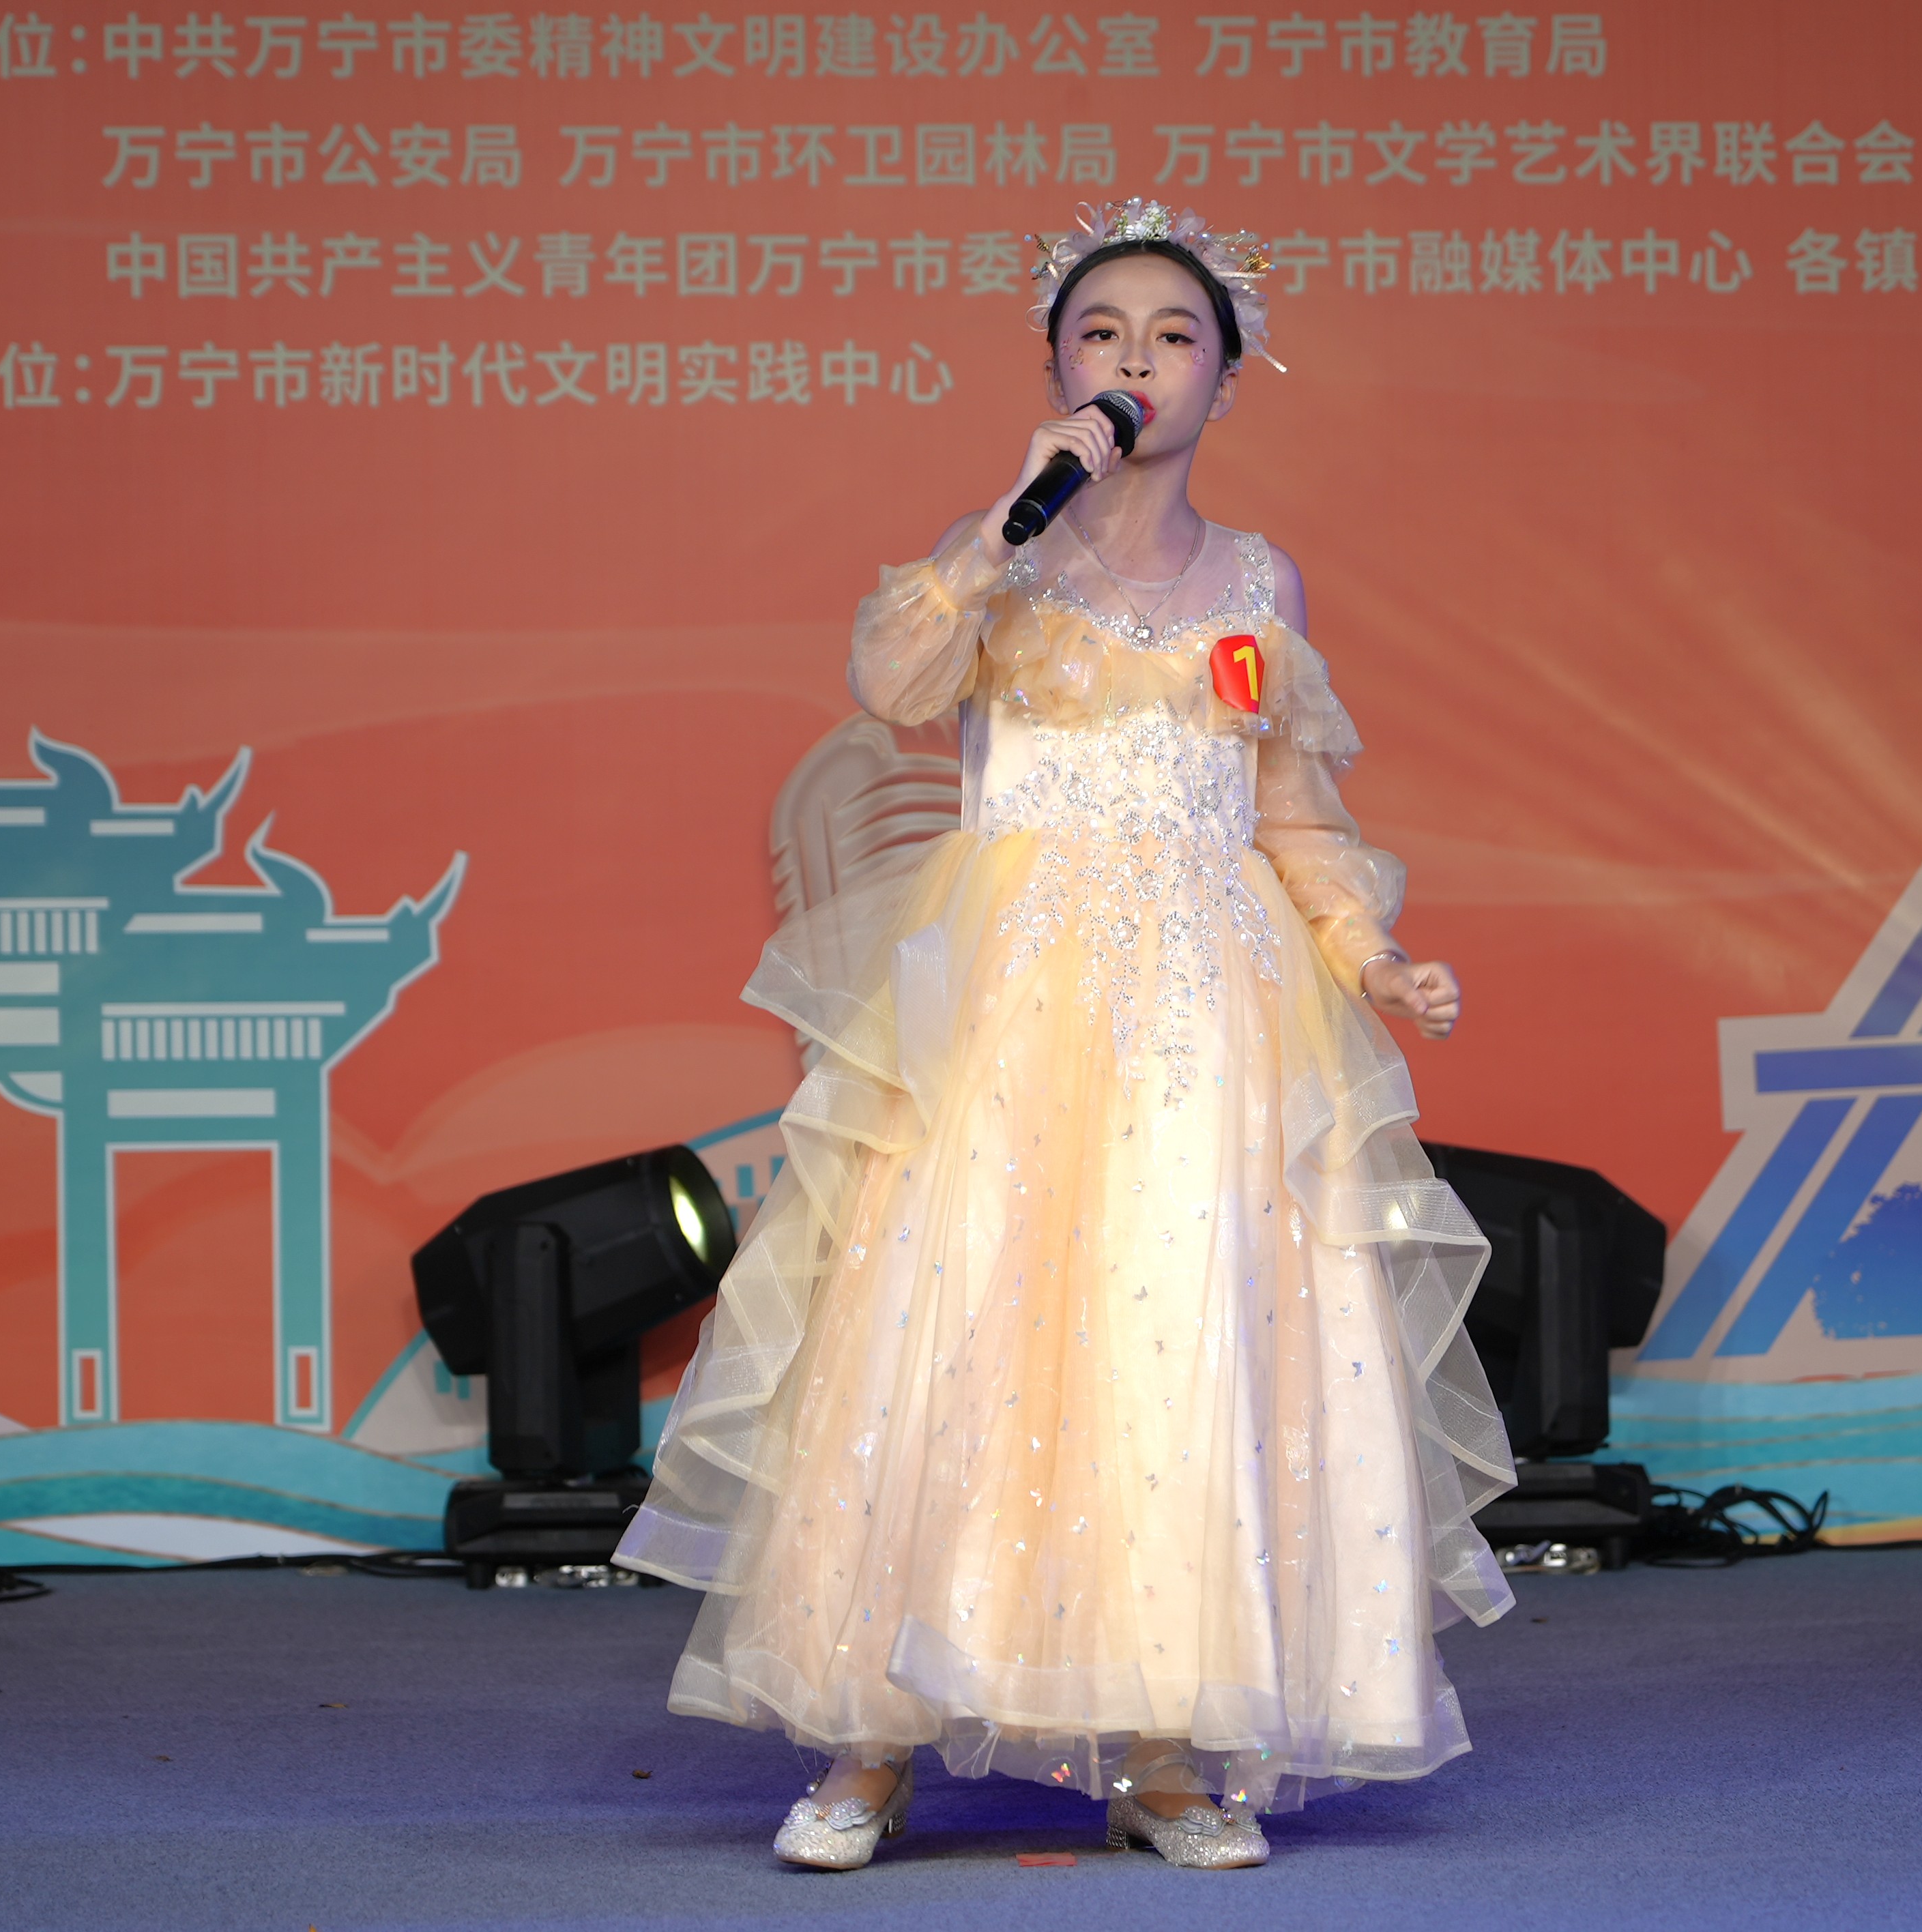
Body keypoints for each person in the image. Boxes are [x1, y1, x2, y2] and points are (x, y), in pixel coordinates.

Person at [616, 198, 1515, 1873]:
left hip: (1206, 1009)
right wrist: (994, 532)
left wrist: (1369, 954)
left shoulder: (1258, 580)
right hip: (1012, 995)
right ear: (1053, 368)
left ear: (1224, 379)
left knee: (1180, 1339)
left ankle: (1161, 1753)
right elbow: (893, 684)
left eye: (1174, 337)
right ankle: (870, 1743)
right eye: (1102, 334)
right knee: (954, 1321)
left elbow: (1289, 806)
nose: (1136, 362)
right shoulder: (1000, 549)